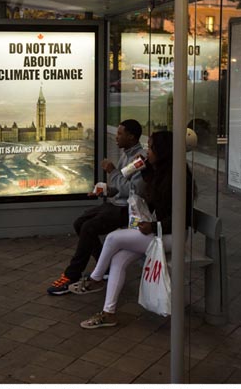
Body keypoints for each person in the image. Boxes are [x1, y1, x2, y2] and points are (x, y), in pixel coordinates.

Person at [70, 130, 194, 328]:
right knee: (118, 259)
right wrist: (144, 170)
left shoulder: (179, 179)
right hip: (157, 231)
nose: (147, 151)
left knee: (112, 238)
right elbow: (152, 200)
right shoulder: (161, 173)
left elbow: (183, 218)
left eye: (151, 147)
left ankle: (95, 278)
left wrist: (153, 226)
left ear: (162, 151)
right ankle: (108, 313)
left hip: (171, 236)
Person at [47, 119, 146, 295]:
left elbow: (134, 191)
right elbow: (120, 186)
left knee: (88, 227)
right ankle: (105, 265)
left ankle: (72, 275)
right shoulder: (126, 153)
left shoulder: (139, 159)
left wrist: (112, 172)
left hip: (128, 210)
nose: (116, 137)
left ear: (131, 137)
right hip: (116, 203)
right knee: (80, 222)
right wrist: (105, 190)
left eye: (119, 134)